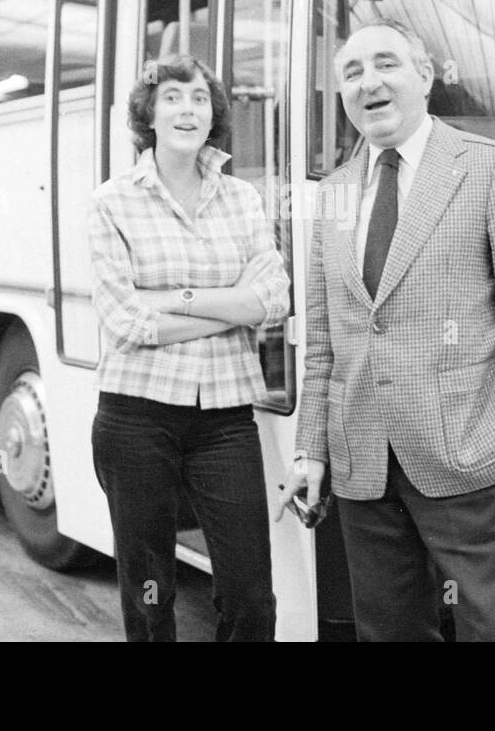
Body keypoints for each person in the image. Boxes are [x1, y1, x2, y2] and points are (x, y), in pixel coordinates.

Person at [276, 19, 495, 641]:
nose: (368, 82)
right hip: (362, 464)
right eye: (351, 73)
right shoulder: (333, 195)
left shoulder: (489, 168)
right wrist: (311, 450)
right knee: (388, 632)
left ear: (426, 76)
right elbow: (326, 342)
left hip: (465, 451)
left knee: (492, 628)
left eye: (386, 64)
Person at [87, 54, 290, 642]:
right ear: (148, 113)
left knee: (252, 596)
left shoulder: (242, 199)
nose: (188, 109)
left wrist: (175, 297)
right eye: (172, 96)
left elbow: (273, 300)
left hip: (224, 419)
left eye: (200, 98)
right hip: (136, 417)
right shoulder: (112, 201)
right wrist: (231, 304)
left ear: (214, 114)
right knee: (151, 598)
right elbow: (126, 323)